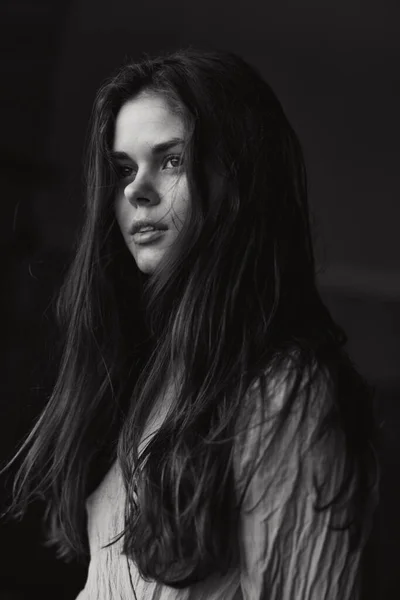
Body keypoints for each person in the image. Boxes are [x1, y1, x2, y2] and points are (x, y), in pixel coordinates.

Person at [3, 48, 379, 599]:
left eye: (172, 160)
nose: (135, 190)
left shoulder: (285, 394)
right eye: (125, 169)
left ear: (239, 182)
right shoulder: (145, 371)